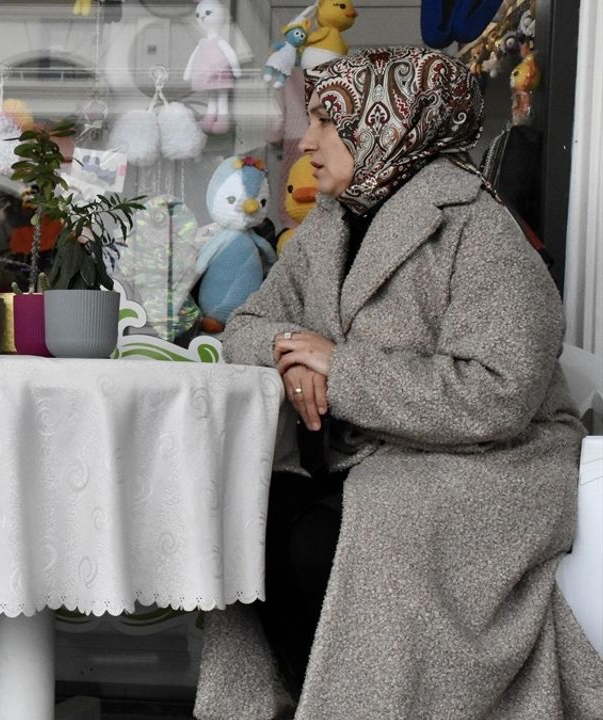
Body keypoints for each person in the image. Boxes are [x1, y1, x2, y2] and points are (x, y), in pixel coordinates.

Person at [194, 47, 603, 719]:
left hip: (486, 464)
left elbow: (500, 394)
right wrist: (295, 353)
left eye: (330, 121)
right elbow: (250, 323)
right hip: (367, 453)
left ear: (392, 123)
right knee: (249, 517)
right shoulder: (332, 222)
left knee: (339, 535)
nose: (307, 140)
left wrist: (343, 370)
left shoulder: (478, 228)